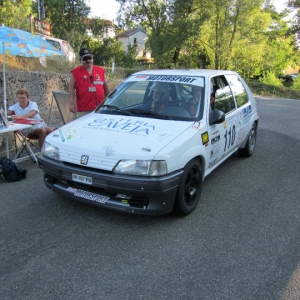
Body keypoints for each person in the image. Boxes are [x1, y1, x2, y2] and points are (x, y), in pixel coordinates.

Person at [68, 47, 110, 117]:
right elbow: (71, 87)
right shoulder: (75, 72)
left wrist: (110, 101)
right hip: (84, 110)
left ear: (92, 58)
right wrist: (71, 103)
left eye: (89, 58)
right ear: (80, 60)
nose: (88, 60)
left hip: (99, 108)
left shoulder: (101, 71)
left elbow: (106, 86)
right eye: (85, 59)